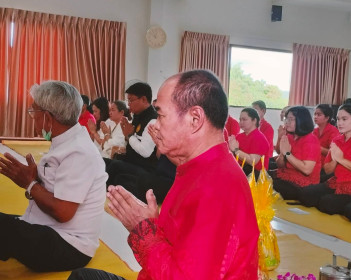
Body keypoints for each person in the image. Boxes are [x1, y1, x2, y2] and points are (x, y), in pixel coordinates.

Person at [68, 70, 259, 280]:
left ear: (195, 119)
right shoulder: (199, 167)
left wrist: (144, 231)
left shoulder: (216, 188)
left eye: (160, 115)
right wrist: (155, 225)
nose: (156, 125)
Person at [0, 81, 107, 272]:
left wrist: (30, 184)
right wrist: (36, 181)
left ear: (48, 118)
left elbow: (63, 212)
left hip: (68, 245)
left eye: (34, 113)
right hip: (50, 230)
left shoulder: (78, 152)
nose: (32, 119)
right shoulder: (68, 142)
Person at [298, 104, 351, 215]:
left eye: (344, 119)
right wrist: (335, 159)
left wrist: (341, 159)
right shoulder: (337, 140)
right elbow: (327, 170)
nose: (340, 123)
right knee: (306, 194)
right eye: (338, 119)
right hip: (338, 182)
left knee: (326, 202)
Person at [106, 82, 158, 186]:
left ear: (143, 99)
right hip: (133, 162)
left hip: (145, 167)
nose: (128, 104)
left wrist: (129, 136)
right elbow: (132, 140)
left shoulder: (153, 120)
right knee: (104, 162)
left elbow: (145, 151)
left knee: (114, 167)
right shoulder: (137, 116)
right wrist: (127, 138)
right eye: (128, 100)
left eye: (131, 100)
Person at [272, 106, 321, 200]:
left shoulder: (311, 139)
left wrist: (287, 153)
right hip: (287, 174)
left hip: (305, 182)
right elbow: (280, 165)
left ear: (301, 121)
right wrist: (282, 155)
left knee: (271, 184)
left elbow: (307, 170)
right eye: (287, 119)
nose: (287, 122)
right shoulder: (289, 137)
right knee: (259, 176)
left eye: (291, 119)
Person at [228, 107, 269, 178]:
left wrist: (236, 150)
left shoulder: (259, 137)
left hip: (254, 175)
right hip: (241, 170)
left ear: (254, 120)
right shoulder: (239, 136)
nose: (241, 122)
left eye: (244, 119)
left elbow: (252, 161)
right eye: (240, 119)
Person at [312, 104, 340, 182]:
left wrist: (317, 147)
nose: (315, 117)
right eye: (315, 114)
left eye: (319, 114)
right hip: (314, 164)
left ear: (327, 118)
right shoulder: (314, 131)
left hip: (325, 167)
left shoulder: (333, 131)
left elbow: (334, 153)